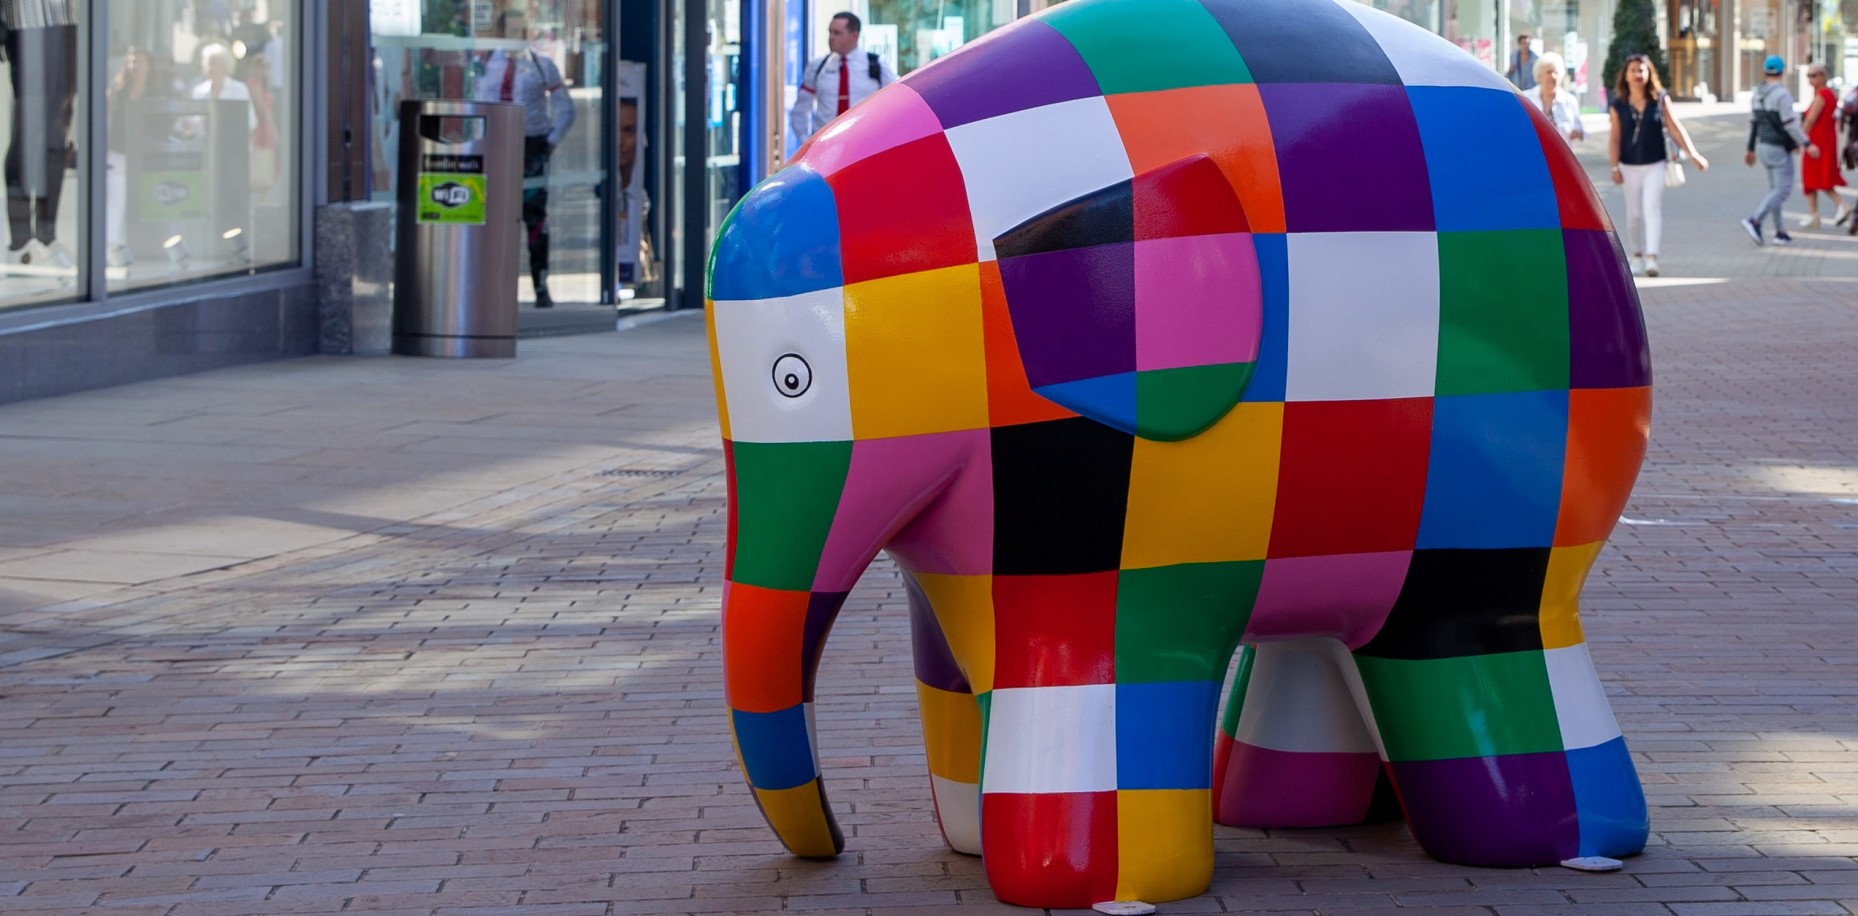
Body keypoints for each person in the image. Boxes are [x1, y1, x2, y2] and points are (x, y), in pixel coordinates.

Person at [474, 8, 575, 308]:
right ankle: (491, 288)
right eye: (510, 32)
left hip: (531, 147)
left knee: (533, 218)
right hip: (493, 145)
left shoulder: (542, 66)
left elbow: (566, 109)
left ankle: (540, 287)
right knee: (492, 217)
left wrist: (550, 142)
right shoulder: (483, 64)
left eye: (520, 32)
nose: (515, 38)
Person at [1609, 54, 1707, 277]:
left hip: (1655, 163)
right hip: (1628, 165)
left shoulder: (1660, 99)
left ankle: (1652, 258)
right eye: (1633, 70)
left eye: (1642, 70)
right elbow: (1614, 138)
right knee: (1633, 213)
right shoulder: (1618, 104)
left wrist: (1693, 155)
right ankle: (1636, 255)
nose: (1637, 74)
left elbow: (1675, 128)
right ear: (1625, 75)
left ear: (1649, 73)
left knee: (1651, 208)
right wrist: (1614, 167)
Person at [1741, 54, 1818, 247]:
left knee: (1774, 190)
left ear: (1765, 71)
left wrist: (1750, 149)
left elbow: (1753, 124)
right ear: (1783, 71)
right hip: (1779, 148)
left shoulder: (1757, 93)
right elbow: (1790, 124)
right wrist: (1807, 144)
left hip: (1763, 147)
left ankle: (1780, 231)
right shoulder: (1782, 95)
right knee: (1782, 190)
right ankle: (1755, 220)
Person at [789, 12, 896, 144]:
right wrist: (806, 142)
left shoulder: (876, 64)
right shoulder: (818, 66)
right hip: (826, 146)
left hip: (863, 144)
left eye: (837, 33)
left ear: (854, 36)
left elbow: (895, 105)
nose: (831, 37)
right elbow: (801, 107)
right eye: (830, 32)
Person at [1797, 64, 1844, 229]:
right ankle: (1814, 215)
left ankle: (1842, 206)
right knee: (1812, 177)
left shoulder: (1823, 94)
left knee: (1820, 177)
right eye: (1809, 75)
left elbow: (1810, 120)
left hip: (1818, 142)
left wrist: (1799, 140)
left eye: (1814, 75)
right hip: (1825, 140)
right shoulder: (1828, 94)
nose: (1811, 78)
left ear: (1823, 76)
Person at [1522, 52, 1583, 142]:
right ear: (1539, 76)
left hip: (1561, 154)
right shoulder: (1526, 99)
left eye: (1556, 72)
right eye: (1549, 72)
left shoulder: (1570, 100)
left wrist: (1577, 133)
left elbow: (1580, 130)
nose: (1553, 76)